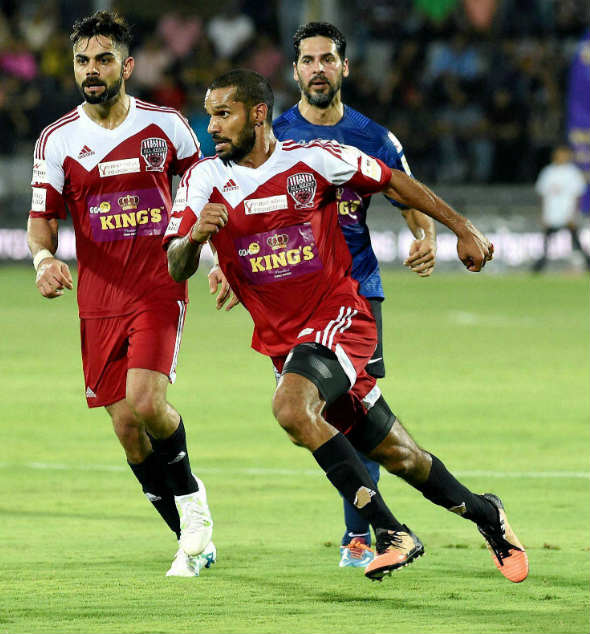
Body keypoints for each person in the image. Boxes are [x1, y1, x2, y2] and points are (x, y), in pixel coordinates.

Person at [164, 69, 528, 583]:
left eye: (224, 114)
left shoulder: (314, 159)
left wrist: (461, 228)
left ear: (258, 114)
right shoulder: (203, 179)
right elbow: (175, 266)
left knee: (291, 408)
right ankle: (489, 514)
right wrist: (195, 240)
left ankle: (390, 532)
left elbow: (392, 179)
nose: (213, 126)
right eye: (210, 115)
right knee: (402, 456)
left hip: (339, 319)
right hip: (286, 344)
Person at [26, 10, 215, 578]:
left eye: (103, 59)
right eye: (82, 60)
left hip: (159, 284)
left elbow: (211, 188)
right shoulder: (57, 139)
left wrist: (222, 260)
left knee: (147, 402)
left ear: (127, 66)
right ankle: (189, 540)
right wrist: (43, 259)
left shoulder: (167, 126)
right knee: (128, 432)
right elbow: (41, 218)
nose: (91, 69)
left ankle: (196, 519)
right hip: (98, 298)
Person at [274, 21, 437, 568]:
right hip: (293, 295)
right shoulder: (274, 137)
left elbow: (409, 197)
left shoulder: (374, 138)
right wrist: (228, 266)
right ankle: (367, 530)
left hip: (357, 290)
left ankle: (360, 536)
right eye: (308, 60)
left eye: (327, 59)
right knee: (306, 414)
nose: (318, 68)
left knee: (356, 413)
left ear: (344, 67)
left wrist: (427, 236)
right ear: (295, 70)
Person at [532, 145, 590, 272]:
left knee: (576, 241)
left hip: (567, 214)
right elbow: (542, 195)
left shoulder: (573, 173)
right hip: (552, 214)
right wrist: (543, 215)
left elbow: (577, 196)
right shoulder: (548, 172)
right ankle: (540, 265)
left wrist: (574, 215)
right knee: (547, 242)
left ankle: (587, 263)